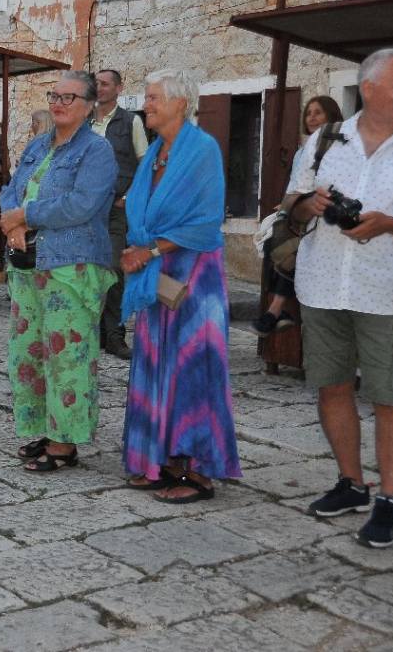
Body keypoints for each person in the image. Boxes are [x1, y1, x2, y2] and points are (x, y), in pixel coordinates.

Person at [287, 49, 393, 549]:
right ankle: (351, 483)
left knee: (392, 398)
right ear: (370, 88)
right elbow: (289, 206)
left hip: (389, 290)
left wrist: (388, 224)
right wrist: (308, 203)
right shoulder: (324, 140)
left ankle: (389, 499)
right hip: (322, 285)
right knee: (332, 386)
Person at [119, 68, 241, 503]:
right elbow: (141, 205)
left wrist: (148, 251)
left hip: (193, 276)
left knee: (192, 366)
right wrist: (138, 245)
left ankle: (197, 472)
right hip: (158, 275)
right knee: (156, 364)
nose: (147, 104)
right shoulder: (155, 153)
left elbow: (206, 222)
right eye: (147, 97)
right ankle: (161, 461)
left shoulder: (202, 150)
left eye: (153, 98)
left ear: (179, 103)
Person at [0, 71, 117, 472]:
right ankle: (45, 431)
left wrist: (26, 216)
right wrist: (13, 222)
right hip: (29, 265)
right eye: (55, 96)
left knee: (67, 356)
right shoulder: (37, 145)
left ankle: (65, 444)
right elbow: (10, 188)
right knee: (30, 353)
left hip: (71, 266)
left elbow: (82, 203)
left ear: (88, 106)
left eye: (69, 97)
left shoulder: (96, 152)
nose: (59, 103)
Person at [251, 95, 343, 336]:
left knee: (293, 250)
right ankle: (277, 309)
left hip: (321, 213)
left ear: (331, 115)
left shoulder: (337, 147)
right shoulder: (302, 151)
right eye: (308, 112)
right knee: (274, 242)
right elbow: (296, 185)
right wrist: (285, 206)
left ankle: (275, 309)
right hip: (296, 211)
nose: (311, 117)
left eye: (318, 112)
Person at [91, 69, 150, 359]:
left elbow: (146, 164)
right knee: (87, 268)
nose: (99, 88)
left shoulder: (131, 121)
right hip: (87, 209)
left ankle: (114, 335)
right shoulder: (84, 121)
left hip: (116, 210)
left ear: (118, 88)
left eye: (104, 84)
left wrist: (128, 197)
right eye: (96, 84)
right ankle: (92, 331)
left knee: (114, 268)